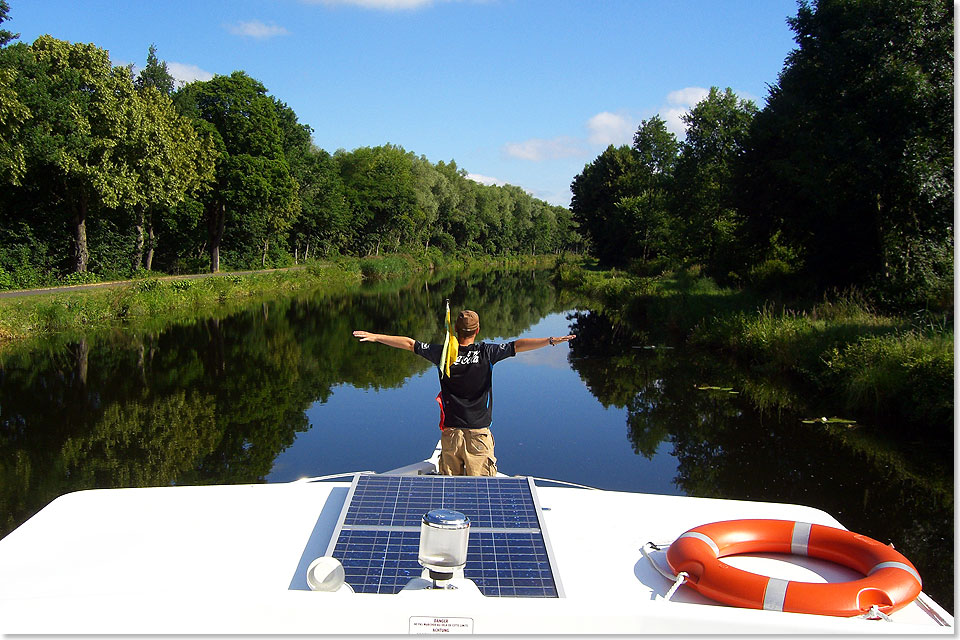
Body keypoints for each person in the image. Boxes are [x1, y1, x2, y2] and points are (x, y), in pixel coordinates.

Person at [352, 310, 575, 476]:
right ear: (477, 330)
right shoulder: (487, 352)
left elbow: (410, 344)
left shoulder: (442, 353)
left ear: (455, 331)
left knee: (451, 494)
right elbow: (517, 345)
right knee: (479, 495)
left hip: (450, 435)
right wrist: (550, 340)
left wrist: (376, 336)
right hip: (478, 435)